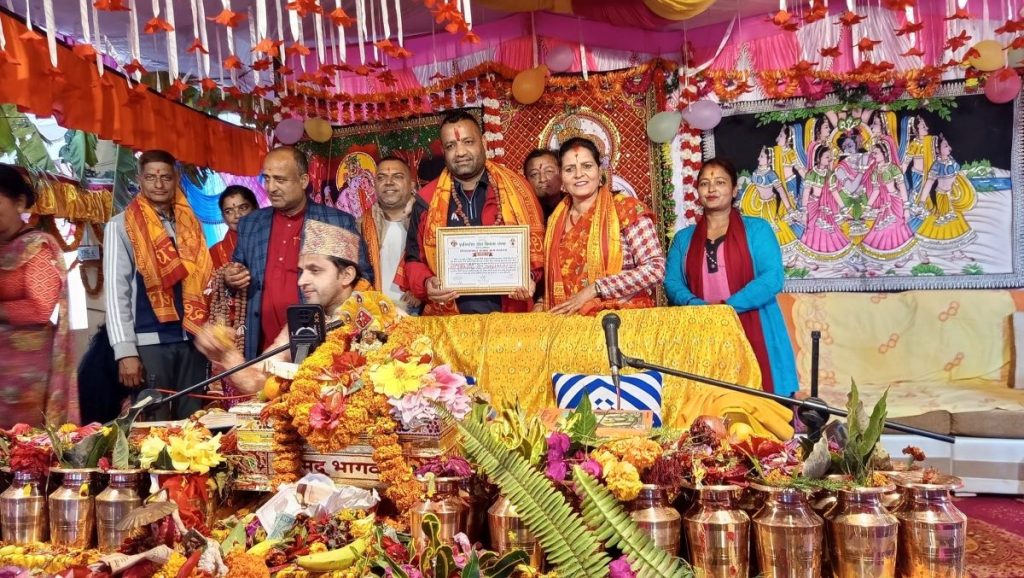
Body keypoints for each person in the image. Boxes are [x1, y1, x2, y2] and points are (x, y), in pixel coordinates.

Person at [664, 158, 798, 397]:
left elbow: (772, 278)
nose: (711, 189)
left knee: (764, 403)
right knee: (709, 402)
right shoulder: (683, 239)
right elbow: (672, 282)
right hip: (703, 327)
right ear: (697, 191)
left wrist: (728, 308)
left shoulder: (757, 229)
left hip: (755, 324)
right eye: (704, 183)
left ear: (735, 190)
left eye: (720, 182)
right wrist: (697, 306)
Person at [225, 146, 373, 360]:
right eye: (267, 179)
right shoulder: (251, 224)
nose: (271, 188)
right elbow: (237, 269)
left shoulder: (335, 221)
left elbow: (363, 279)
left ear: (303, 181)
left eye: (280, 180)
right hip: (261, 346)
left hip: (320, 346)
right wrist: (232, 278)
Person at [196, 220, 377, 394]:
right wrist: (226, 353)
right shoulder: (303, 322)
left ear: (346, 275)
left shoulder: (379, 317)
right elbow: (256, 381)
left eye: (315, 270)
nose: (301, 281)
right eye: (301, 271)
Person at [104, 150, 212, 419]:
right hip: (150, 341)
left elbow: (203, 278)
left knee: (194, 421)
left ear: (176, 179)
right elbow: (117, 293)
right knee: (153, 424)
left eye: (166, 177)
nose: (159, 184)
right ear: (140, 179)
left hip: (193, 339)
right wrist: (125, 352)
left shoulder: (190, 222)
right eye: (151, 177)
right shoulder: (121, 226)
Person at [404, 110, 545, 315]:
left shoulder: (518, 191)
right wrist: (426, 283)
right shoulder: (427, 200)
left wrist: (530, 278)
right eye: (451, 146)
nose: (460, 152)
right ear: (443, 151)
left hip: (511, 318)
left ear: (484, 143)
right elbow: (412, 260)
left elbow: (539, 251)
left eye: (468, 142)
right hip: (449, 321)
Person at [540, 137, 665, 314]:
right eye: (569, 169)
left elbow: (655, 268)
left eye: (587, 166)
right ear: (561, 177)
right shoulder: (555, 220)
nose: (578, 174)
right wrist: (540, 301)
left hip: (620, 319)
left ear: (600, 172)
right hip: (568, 323)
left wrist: (596, 288)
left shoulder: (625, 209)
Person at [0, 165, 78, 428]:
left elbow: (40, 309)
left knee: (21, 444)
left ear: (19, 202)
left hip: (23, 378)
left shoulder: (38, 246)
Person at [360, 156, 421, 314]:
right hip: (374, 313)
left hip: (418, 312)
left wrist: (421, 290)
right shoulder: (361, 225)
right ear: (374, 185)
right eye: (381, 178)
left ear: (412, 185)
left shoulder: (427, 222)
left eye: (397, 177)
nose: (388, 182)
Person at [914, 135, 977, 259]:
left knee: (955, 223)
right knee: (935, 223)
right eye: (945, 146)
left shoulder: (953, 162)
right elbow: (929, 183)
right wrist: (922, 201)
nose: (949, 148)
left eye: (949, 145)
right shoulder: (937, 165)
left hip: (951, 198)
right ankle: (922, 250)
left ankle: (956, 252)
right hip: (940, 198)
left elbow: (959, 179)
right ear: (938, 149)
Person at [209, 185, 257, 270]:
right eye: (229, 211)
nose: (237, 215)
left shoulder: (275, 237)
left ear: (256, 208)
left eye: (243, 208)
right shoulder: (215, 253)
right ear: (223, 217)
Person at [523, 148, 562, 219]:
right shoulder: (521, 211)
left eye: (549, 171)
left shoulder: (575, 205)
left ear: (561, 174)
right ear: (526, 180)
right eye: (534, 174)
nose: (542, 179)